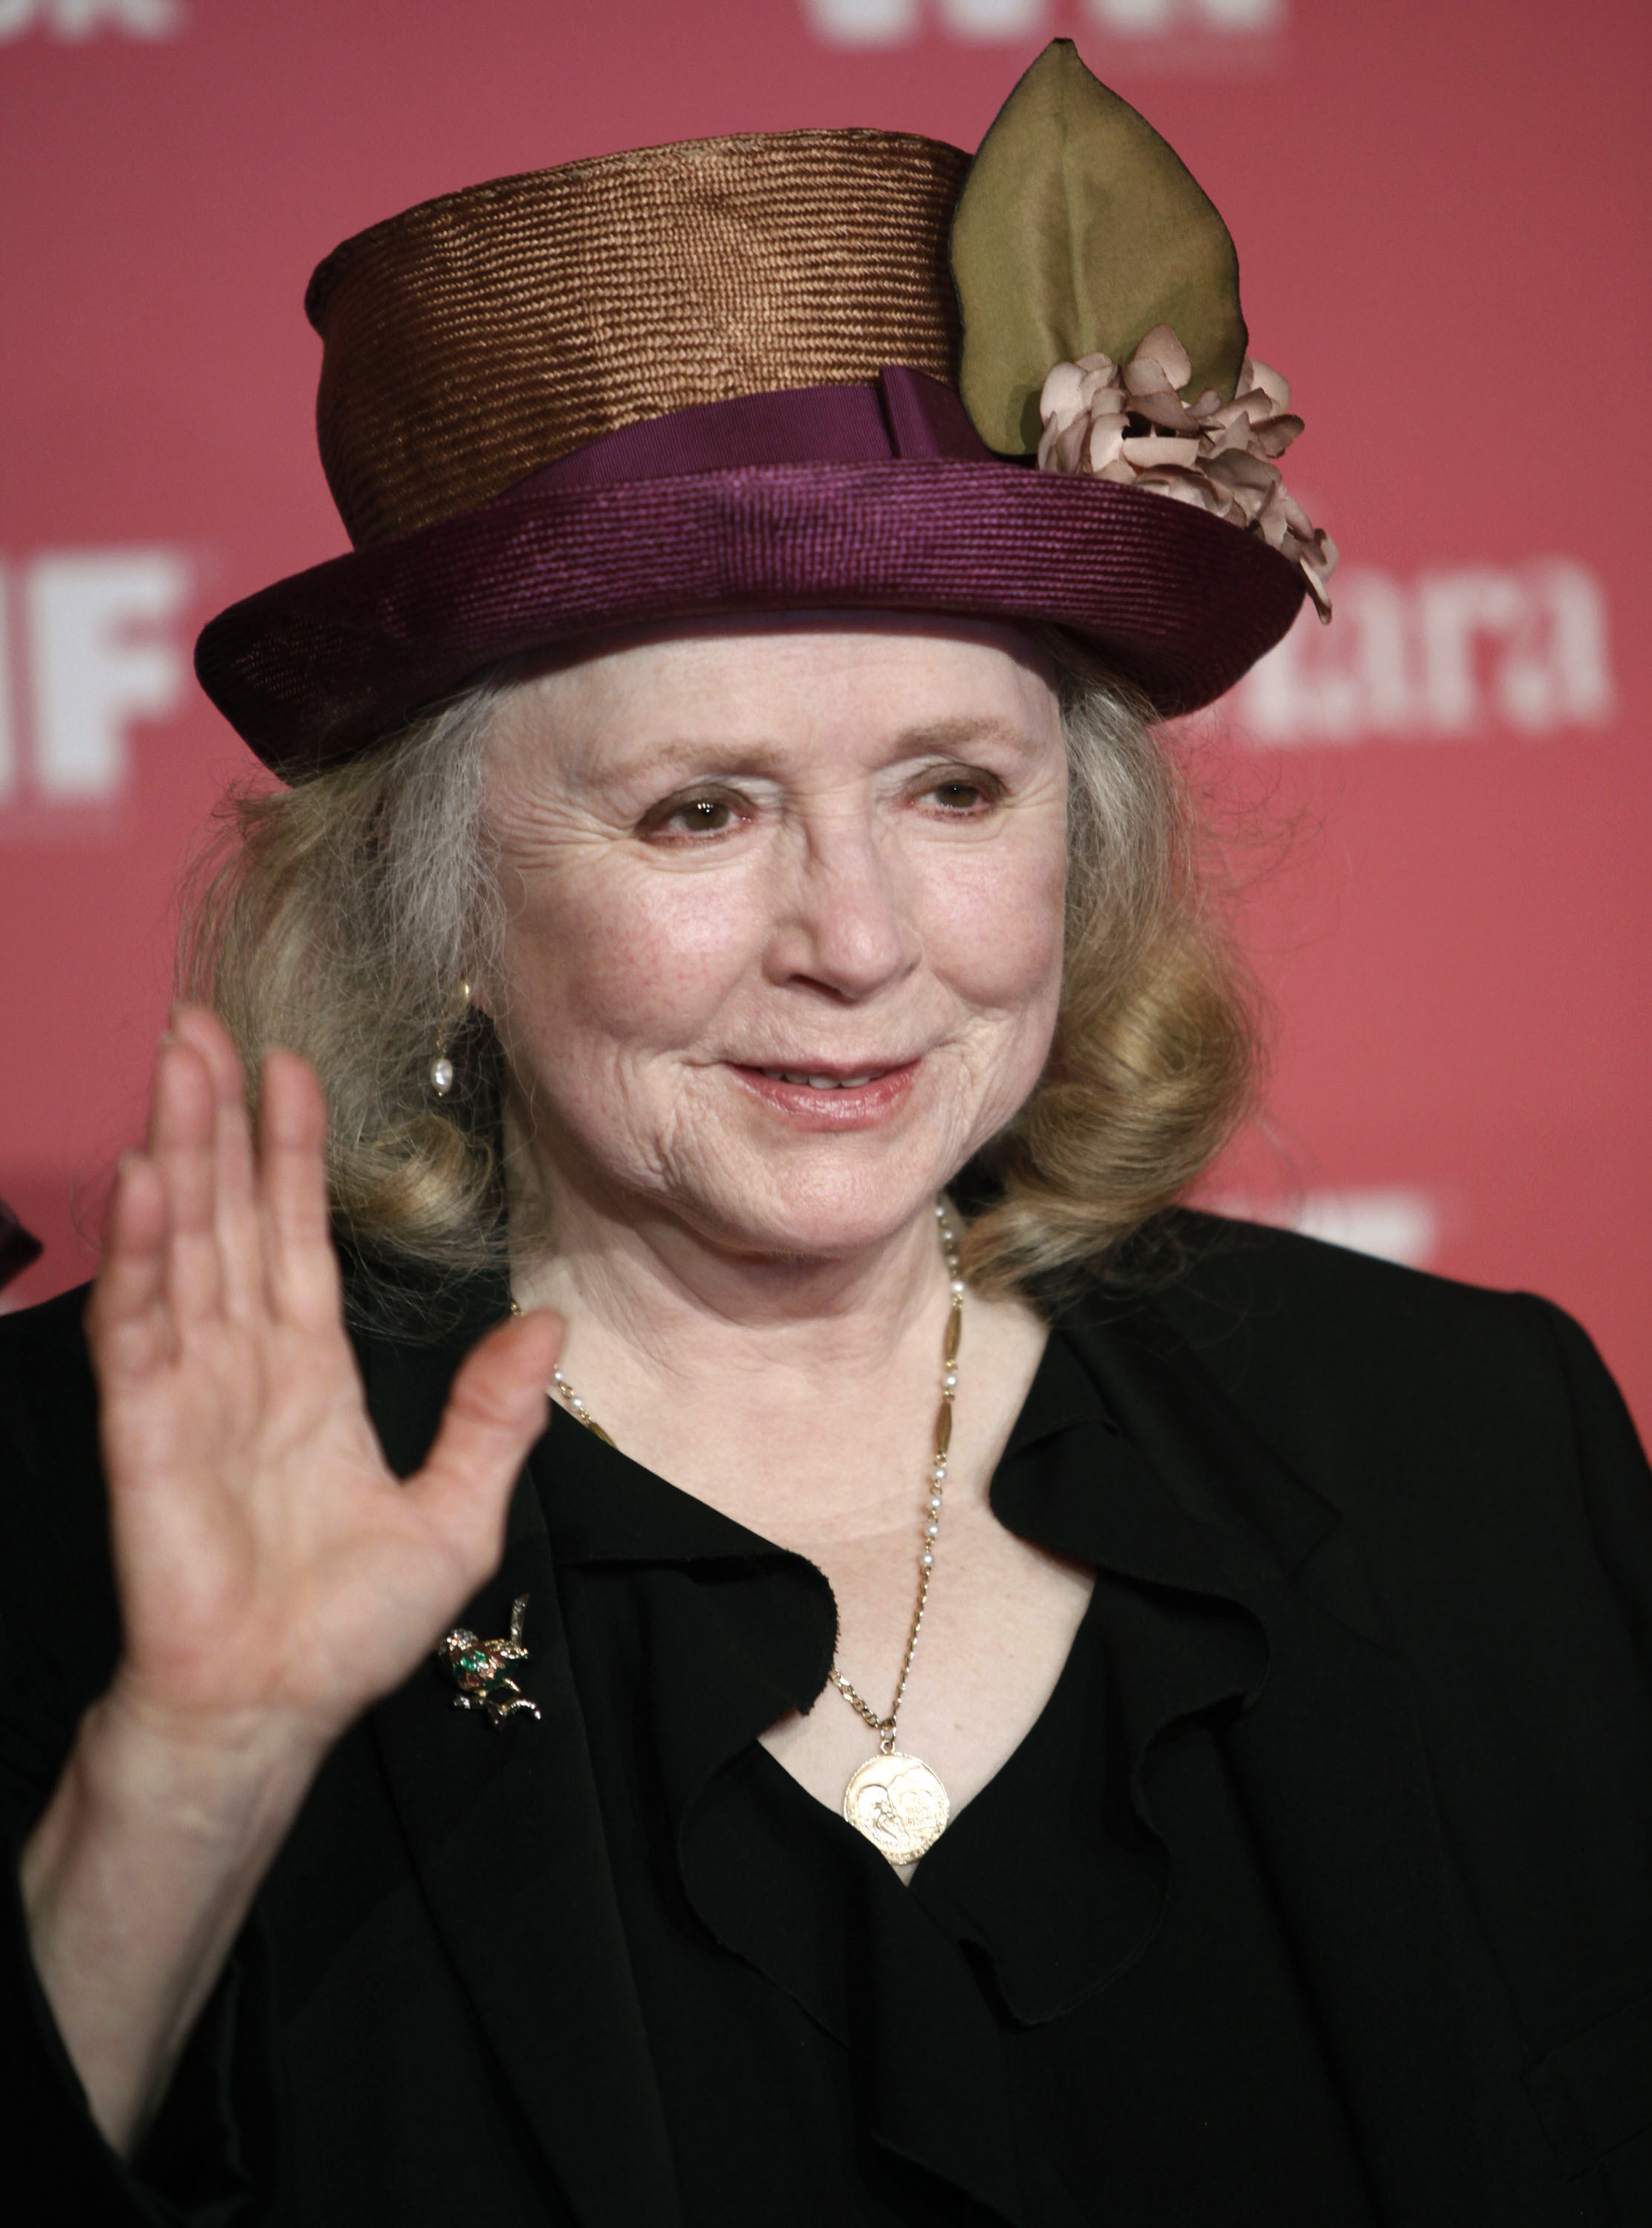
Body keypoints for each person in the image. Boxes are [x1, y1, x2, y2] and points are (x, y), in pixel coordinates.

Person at [4, 39, 1649, 2228]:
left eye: (954, 790)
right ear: (447, 913)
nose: (857, 943)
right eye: (701, 813)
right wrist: (184, 1776)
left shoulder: (1468, 1442)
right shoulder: (76, 1510)